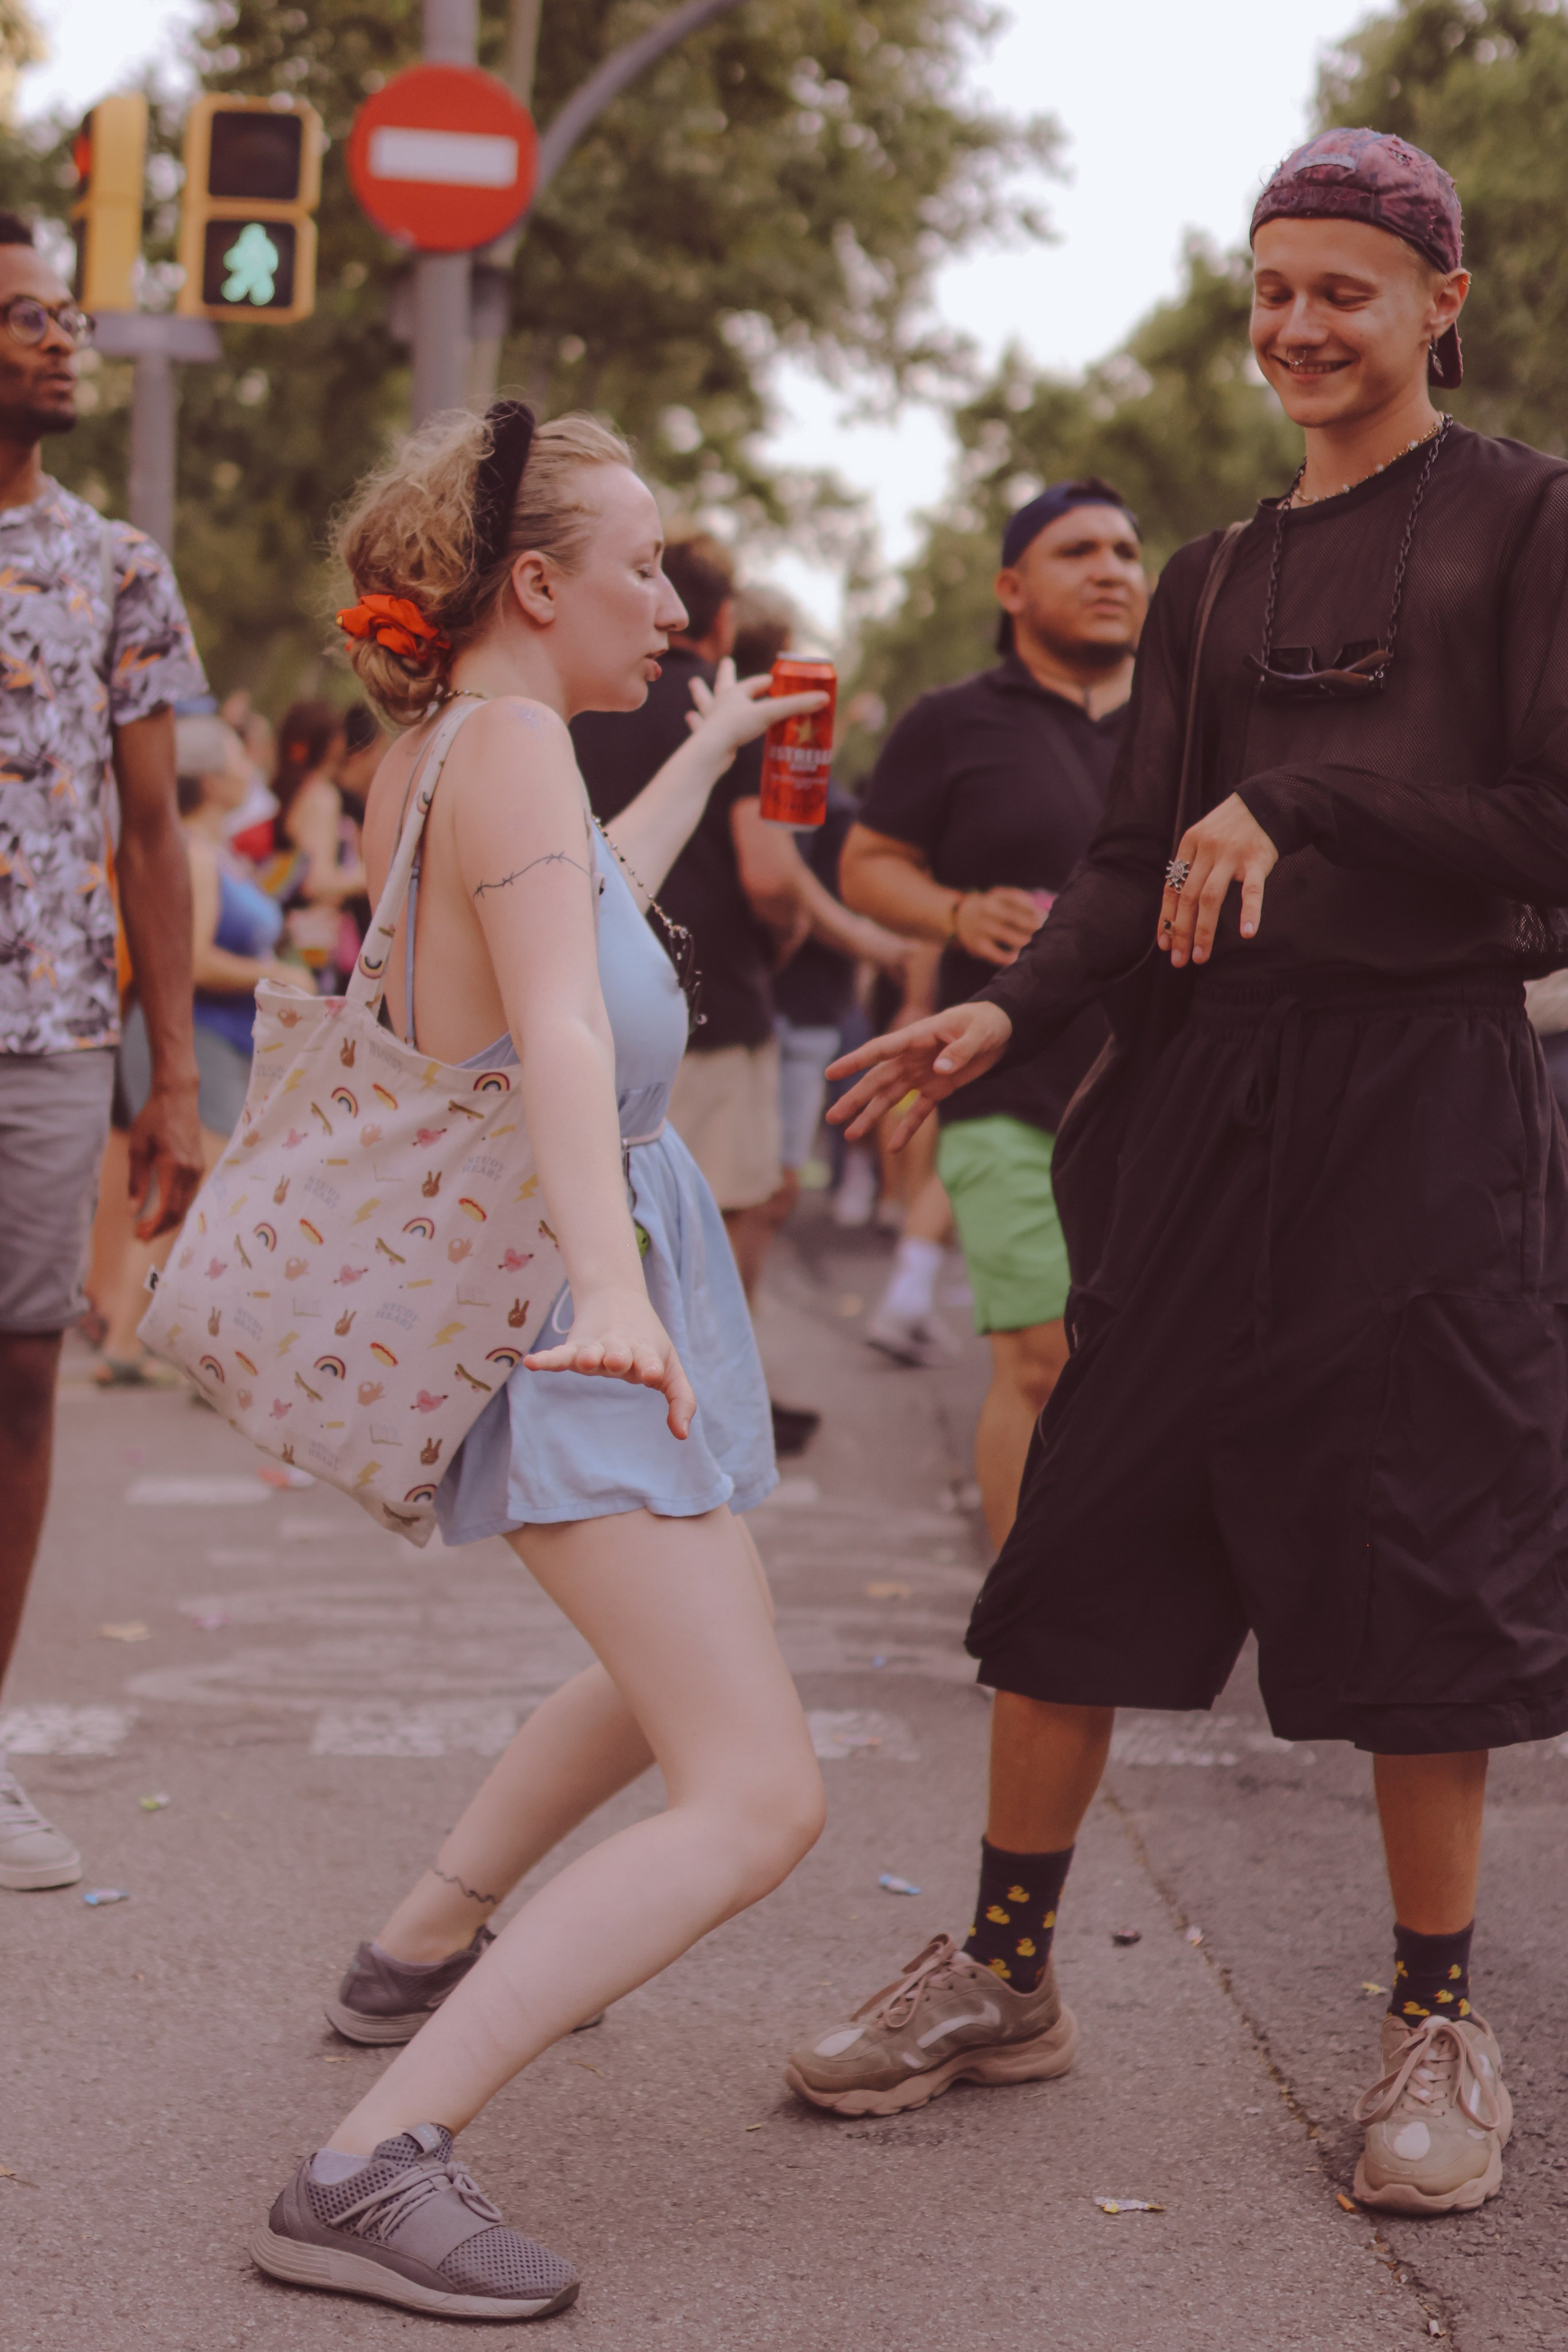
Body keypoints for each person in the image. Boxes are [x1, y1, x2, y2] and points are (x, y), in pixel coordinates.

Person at [789, 129, 1564, 2220]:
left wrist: (1302, 804)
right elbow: (1133, 873)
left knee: (1420, 1556)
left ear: (1438, 303)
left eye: (1347, 289)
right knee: (1087, 1530)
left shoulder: (1526, 522)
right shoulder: (1215, 579)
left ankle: (1437, 2022)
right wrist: (1007, 1014)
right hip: (1210, 1110)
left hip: (1427, 1105)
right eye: (1274, 290)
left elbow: (1552, 839)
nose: (1302, 326)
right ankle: (1010, 1982)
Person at [249, 402, 827, 2320]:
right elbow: (566, 1034)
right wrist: (608, 1280)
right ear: (533, 583)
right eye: (642, 566)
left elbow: (580, 914)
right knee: (757, 1793)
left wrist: (720, 750)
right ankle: (364, 2167)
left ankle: (415, 1944)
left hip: (610, 1277)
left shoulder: (502, 758)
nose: (668, 601)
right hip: (580, 1290)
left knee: (677, 1671)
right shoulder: (499, 748)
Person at [0, 212, 204, 1893]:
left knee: (17, 1379)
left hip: (52, 1033)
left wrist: (175, 1084)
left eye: (61, 312)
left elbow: (154, 830)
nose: (58, 337)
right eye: (18, 317)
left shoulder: (115, 564)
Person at [840, 483, 1148, 1543]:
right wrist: (956, 911)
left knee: (1147, 1362)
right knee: (1039, 1358)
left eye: (1124, 550)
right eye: (1077, 552)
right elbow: (869, 863)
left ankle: (1123, 1580)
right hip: (1005, 1087)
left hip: (1173, 1091)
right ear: (1013, 588)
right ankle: (1026, 1607)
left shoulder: (1189, 722)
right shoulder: (951, 722)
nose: (1110, 569)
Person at [573, 532, 901, 1454]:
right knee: (727, 1212)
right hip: (709, 1000)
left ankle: (628, 1396)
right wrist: (813, 934)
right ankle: (711, 1402)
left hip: (583, 1004)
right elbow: (768, 872)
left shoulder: (568, 700)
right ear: (717, 620)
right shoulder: (727, 705)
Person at [90, 715, 293, 1382]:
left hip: (223, 1040)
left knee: (194, 1194)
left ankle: (133, 1338)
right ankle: (137, 1338)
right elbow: (194, 958)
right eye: (238, 758)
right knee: (196, 1193)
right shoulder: (197, 858)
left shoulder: (216, 851)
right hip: (194, 1036)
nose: (249, 768)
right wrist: (278, 975)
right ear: (210, 779)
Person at [266, 699, 366, 989]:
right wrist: (378, 874)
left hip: (293, 937)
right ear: (332, 743)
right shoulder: (321, 797)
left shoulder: (290, 790)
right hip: (312, 944)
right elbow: (316, 881)